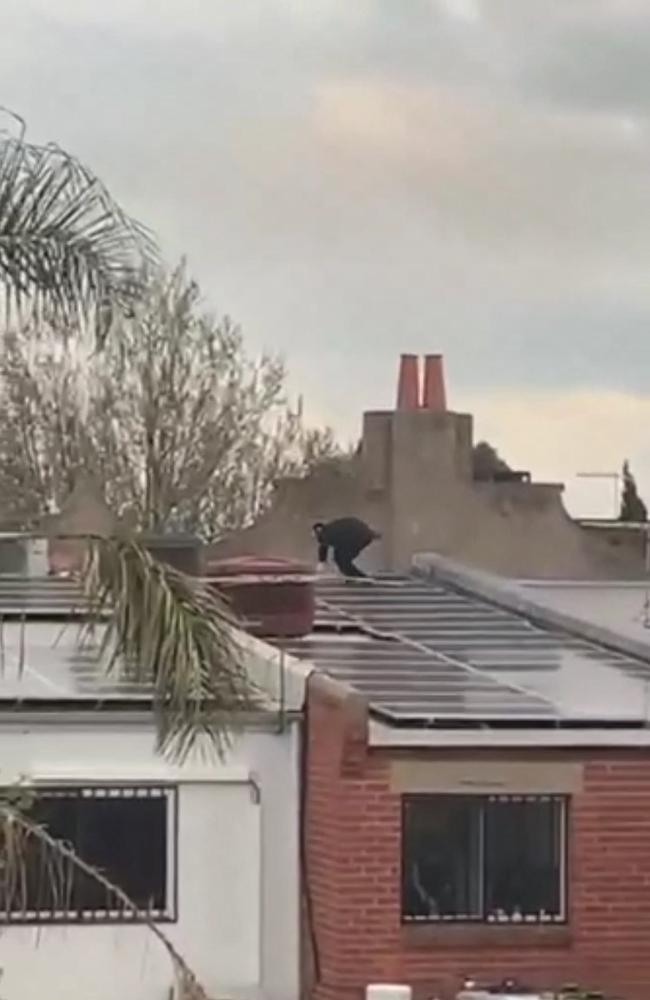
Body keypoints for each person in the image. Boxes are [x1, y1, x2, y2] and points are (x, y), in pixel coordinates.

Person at [312, 517, 380, 579]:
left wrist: (321, 562)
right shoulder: (331, 528)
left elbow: (323, 547)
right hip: (362, 535)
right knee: (341, 558)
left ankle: (358, 577)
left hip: (357, 537)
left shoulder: (325, 533)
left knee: (341, 559)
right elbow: (324, 546)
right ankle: (353, 576)